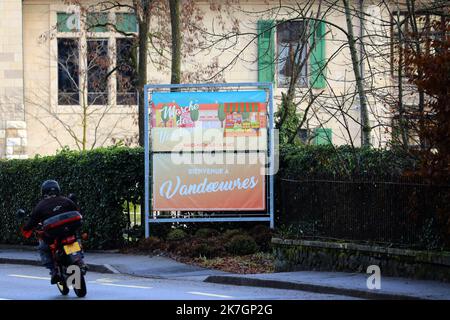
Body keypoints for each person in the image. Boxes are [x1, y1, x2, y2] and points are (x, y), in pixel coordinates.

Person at [21, 180, 78, 284]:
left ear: (43, 192)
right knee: (76, 238)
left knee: (43, 248)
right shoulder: (66, 200)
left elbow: (32, 222)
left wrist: (26, 229)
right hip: (69, 231)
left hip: (54, 234)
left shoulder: (40, 205)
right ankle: (79, 260)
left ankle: (54, 271)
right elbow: (76, 211)